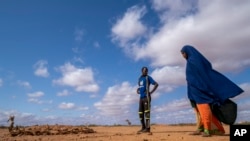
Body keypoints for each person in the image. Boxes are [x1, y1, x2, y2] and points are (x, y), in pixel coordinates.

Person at [181, 45, 244, 137]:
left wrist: (201, 87)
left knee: (203, 107)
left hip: (199, 89)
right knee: (198, 109)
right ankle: (201, 128)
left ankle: (207, 130)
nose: (182, 55)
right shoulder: (192, 61)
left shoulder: (194, 61)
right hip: (193, 90)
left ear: (187, 52)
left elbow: (202, 75)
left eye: (183, 53)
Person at [137, 66, 158, 133]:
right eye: (144, 70)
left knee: (147, 113)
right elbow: (140, 87)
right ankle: (143, 127)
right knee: (140, 113)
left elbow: (156, 84)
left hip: (147, 98)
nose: (146, 72)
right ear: (142, 71)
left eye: (146, 71)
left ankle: (148, 128)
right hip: (141, 98)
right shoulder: (140, 78)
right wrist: (138, 90)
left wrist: (150, 92)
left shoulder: (148, 77)